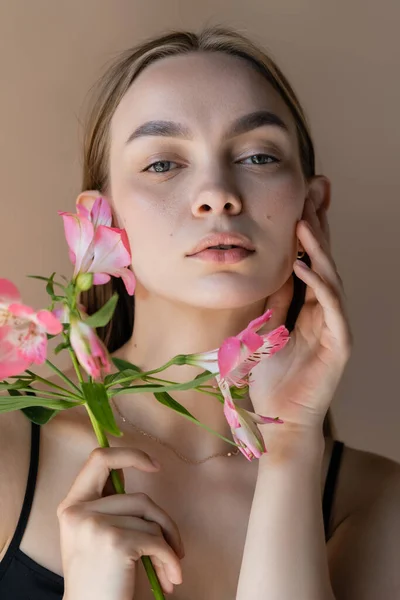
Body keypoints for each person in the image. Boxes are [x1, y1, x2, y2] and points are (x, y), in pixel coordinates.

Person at [0, 24, 399, 600]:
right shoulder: (12, 453)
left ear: (311, 208)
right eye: (163, 163)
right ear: (99, 221)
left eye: (258, 156)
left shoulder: (375, 502)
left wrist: (288, 449)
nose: (217, 192)